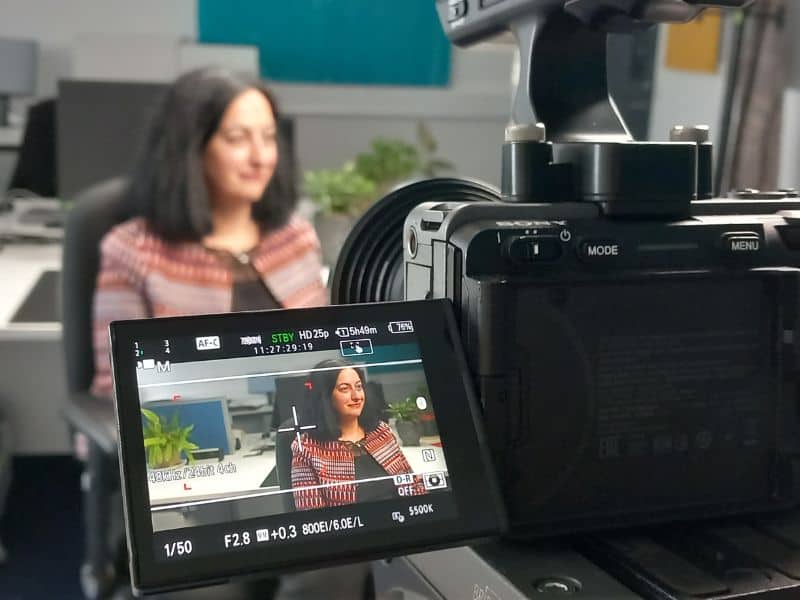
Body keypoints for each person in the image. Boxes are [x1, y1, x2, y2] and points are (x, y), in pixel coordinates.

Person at [90, 67, 327, 398]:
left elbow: (327, 358)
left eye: (269, 137)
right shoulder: (134, 250)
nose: (261, 157)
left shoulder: (295, 237)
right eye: (237, 139)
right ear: (192, 148)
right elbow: (115, 393)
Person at [291, 359, 426, 510]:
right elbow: (314, 517)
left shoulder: (381, 432)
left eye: (359, 387)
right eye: (344, 389)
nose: (357, 396)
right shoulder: (306, 448)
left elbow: (413, 486)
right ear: (325, 396)